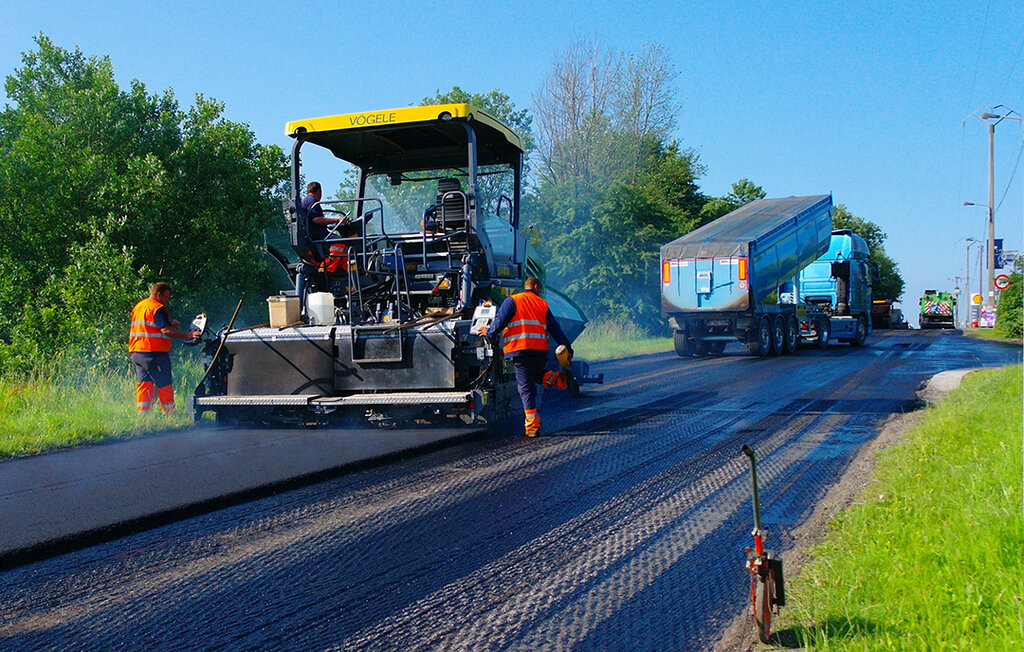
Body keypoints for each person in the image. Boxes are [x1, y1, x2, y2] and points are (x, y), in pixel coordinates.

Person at [477, 277, 574, 437]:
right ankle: (556, 378)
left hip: (521, 350)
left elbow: (500, 321)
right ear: (535, 286)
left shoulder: (512, 301)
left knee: (525, 388)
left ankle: (532, 426)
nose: (541, 292)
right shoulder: (542, 304)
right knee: (535, 376)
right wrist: (568, 347)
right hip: (539, 350)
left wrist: (489, 332)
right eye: (540, 288)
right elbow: (555, 328)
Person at [129, 282, 200, 413]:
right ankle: (169, 413)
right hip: (155, 354)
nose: (166, 300)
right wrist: (188, 335)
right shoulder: (158, 308)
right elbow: (165, 331)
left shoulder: (139, 306)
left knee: (145, 384)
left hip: (138, 353)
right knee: (164, 385)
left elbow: (149, 328)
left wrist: (170, 324)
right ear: (158, 294)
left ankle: (143, 414)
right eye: (166, 297)